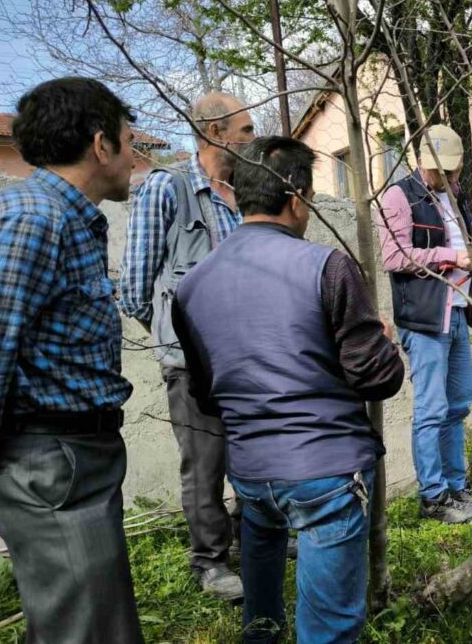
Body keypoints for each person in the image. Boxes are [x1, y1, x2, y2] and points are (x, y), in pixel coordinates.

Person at [172, 136, 405, 643]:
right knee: (329, 629)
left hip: (253, 476)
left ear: (236, 196)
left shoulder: (191, 286)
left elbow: (206, 395)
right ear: (297, 197)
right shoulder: (327, 267)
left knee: (260, 618)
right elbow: (377, 379)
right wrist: (385, 344)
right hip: (326, 473)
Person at [0, 77, 143, 643]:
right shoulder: (32, 218)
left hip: (71, 463)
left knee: (96, 623)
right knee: (84, 633)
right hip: (48, 464)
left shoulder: (67, 219)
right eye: (129, 140)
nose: (136, 157)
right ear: (101, 144)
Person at [119, 91, 255, 600]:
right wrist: (173, 336)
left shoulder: (245, 192)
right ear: (215, 133)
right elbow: (135, 286)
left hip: (248, 356)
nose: (252, 139)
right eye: (246, 130)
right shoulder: (167, 188)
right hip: (192, 359)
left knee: (251, 450)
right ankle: (211, 562)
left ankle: (253, 539)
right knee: (204, 463)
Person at [377, 124, 472, 523]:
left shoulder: (456, 197)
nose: (439, 178)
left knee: (458, 403)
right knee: (431, 408)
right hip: (425, 317)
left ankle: (456, 487)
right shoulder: (398, 196)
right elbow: (394, 257)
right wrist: (451, 257)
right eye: (433, 170)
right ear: (419, 163)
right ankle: (433, 496)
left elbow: (463, 249)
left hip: (457, 311)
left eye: (446, 172)